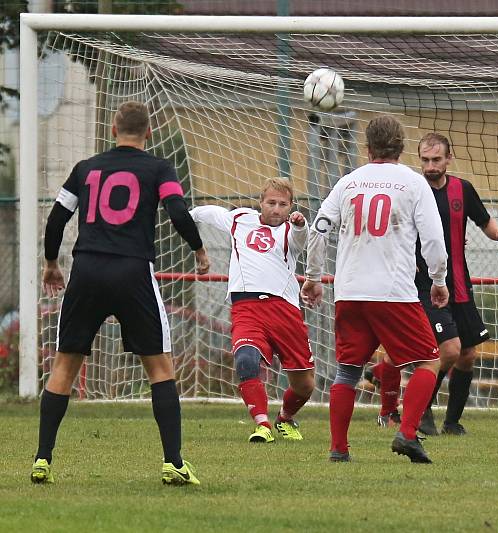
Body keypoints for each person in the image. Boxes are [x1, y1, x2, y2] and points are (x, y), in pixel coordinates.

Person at [33, 101, 210, 485]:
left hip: (88, 269)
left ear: (114, 129)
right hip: (133, 271)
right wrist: (198, 249)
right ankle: (174, 463)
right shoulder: (158, 167)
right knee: (160, 368)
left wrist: (50, 263)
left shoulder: (86, 168)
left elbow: (57, 218)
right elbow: (178, 212)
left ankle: (42, 459)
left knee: (64, 365)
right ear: (148, 133)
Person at [301, 115, 449, 463]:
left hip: (350, 291)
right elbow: (433, 241)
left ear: (367, 149)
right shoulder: (413, 184)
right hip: (392, 292)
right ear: (401, 146)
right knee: (429, 363)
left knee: (347, 371)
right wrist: (439, 280)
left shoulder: (349, 182)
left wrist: (313, 276)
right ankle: (408, 433)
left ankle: (339, 449)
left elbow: (319, 228)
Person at [371, 133, 498, 436]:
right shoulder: (412, 190)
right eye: (425, 160)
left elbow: (484, 221)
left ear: (449, 159)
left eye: (436, 159)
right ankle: (420, 409)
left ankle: (451, 422)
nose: (430, 165)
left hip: (459, 283)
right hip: (423, 284)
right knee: (448, 350)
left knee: (467, 355)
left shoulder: (462, 190)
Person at [190, 178, 314, 443]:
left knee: (305, 385)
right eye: (271, 203)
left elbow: (300, 239)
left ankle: (285, 418)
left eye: (283, 204)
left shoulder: (290, 231)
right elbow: (210, 213)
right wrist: (180, 211)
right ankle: (263, 425)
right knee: (246, 359)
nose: (276, 209)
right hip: (246, 307)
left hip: (284, 311)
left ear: (290, 206)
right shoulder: (240, 219)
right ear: (261, 202)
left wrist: (300, 225)